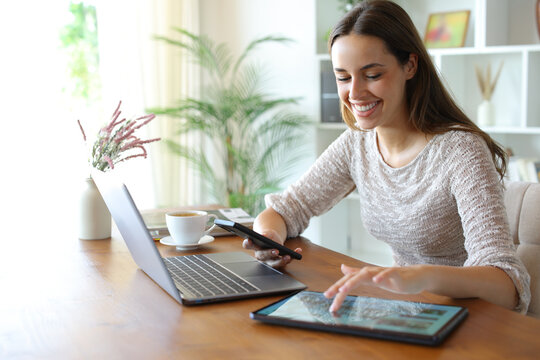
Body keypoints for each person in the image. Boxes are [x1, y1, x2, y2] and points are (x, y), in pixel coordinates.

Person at [243, 0, 530, 314]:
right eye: (343, 77)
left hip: (472, 319)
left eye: (372, 74)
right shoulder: (358, 144)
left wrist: (420, 276)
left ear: (410, 65)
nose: (355, 93)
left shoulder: (461, 151)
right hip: (408, 311)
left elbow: (507, 284)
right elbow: (287, 209)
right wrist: (268, 237)